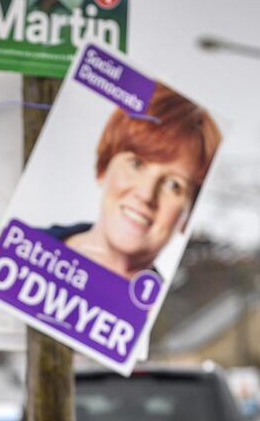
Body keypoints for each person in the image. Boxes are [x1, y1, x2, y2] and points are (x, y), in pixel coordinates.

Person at [49, 85, 221, 279]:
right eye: (137, 164)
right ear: (103, 167)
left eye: (174, 185)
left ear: (187, 218)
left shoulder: (161, 307)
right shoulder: (17, 244)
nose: (146, 194)